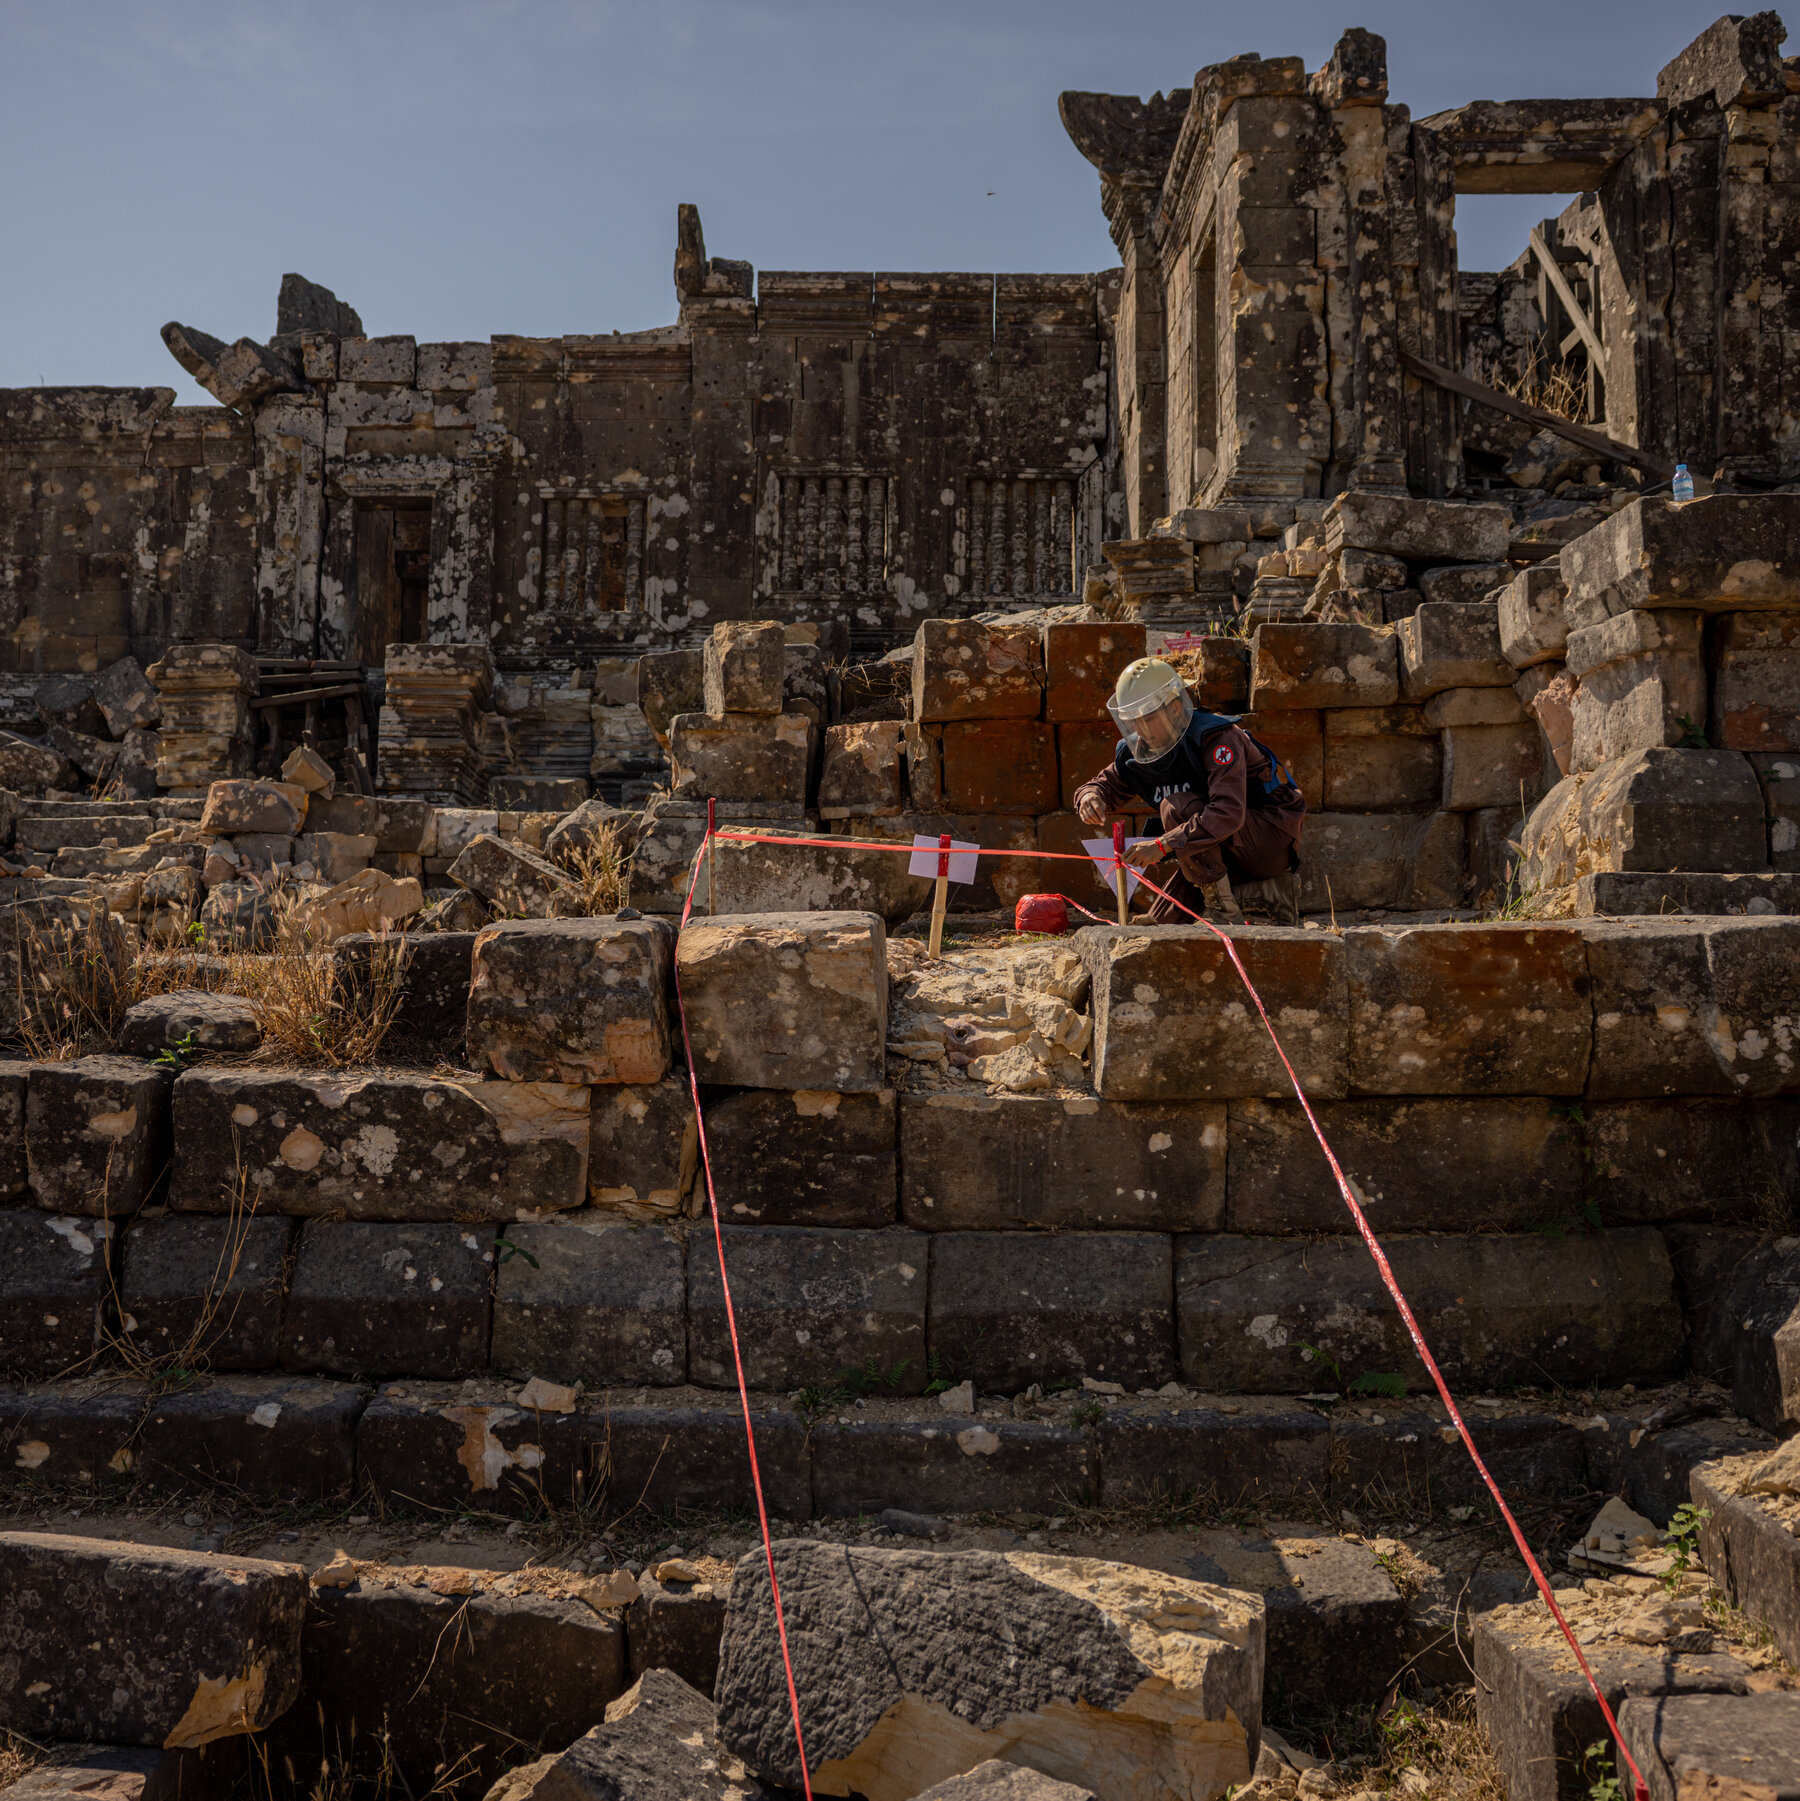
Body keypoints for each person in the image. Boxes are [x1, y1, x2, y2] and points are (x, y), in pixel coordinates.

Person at [1074, 657, 1305, 925]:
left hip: (1269, 841)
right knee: (1156, 926)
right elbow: (1102, 784)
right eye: (1133, 722)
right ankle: (1266, 893)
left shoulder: (1217, 737)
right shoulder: (1140, 750)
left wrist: (1162, 844)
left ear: (1174, 708)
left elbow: (1228, 812)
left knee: (1175, 808)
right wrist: (1090, 797)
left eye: (1148, 718)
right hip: (1211, 848)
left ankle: (1225, 916)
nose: (1141, 730)